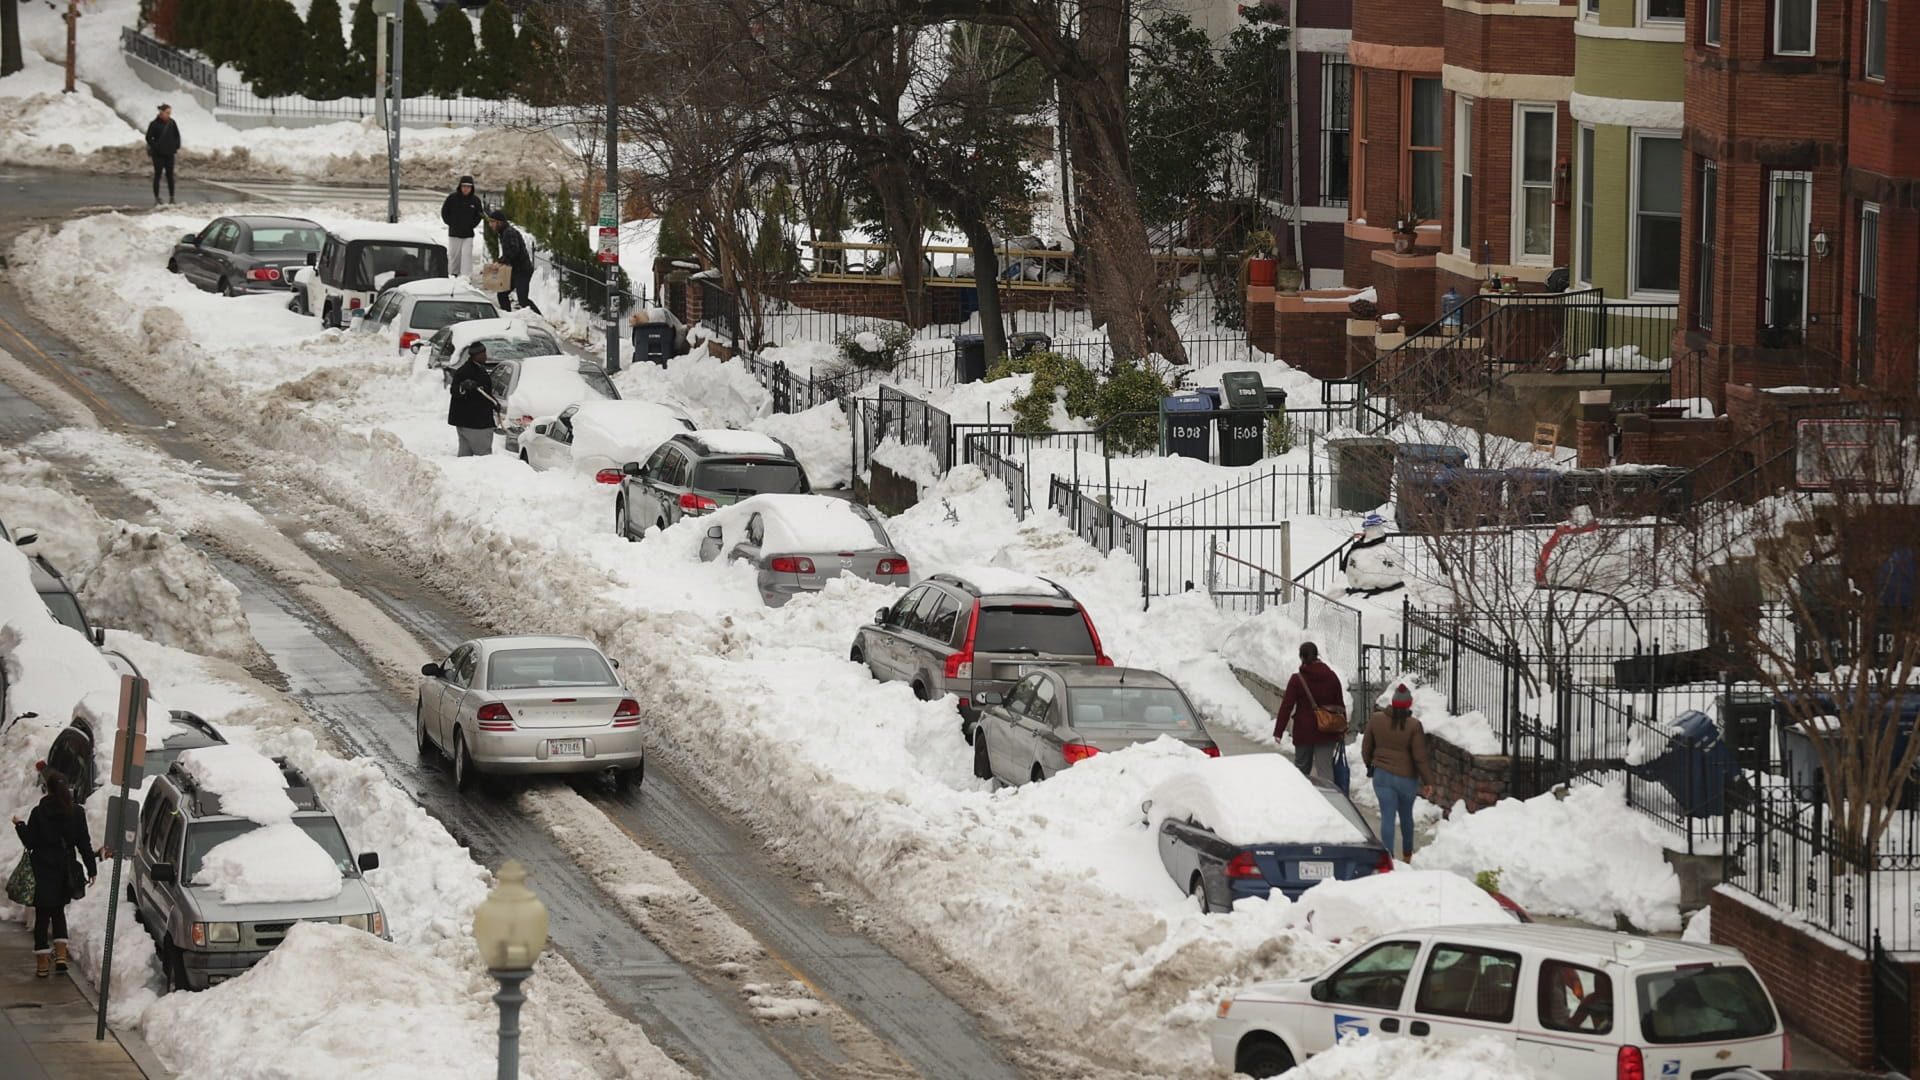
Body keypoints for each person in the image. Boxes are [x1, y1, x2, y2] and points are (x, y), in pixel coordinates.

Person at [11, 769, 97, 978]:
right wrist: (91, 868)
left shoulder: (39, 812)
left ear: (47, 790)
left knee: (42, 914)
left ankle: (42, 963)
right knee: (58, 910)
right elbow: (84, 844)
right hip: (64, 869)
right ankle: (60, 956)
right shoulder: (76, 812)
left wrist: (20, 825)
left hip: (42, 869)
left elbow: (30, 842)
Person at [1361, 683, 1432, 861]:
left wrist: (1370, 765)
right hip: (1406, 779)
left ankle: (1389, 857)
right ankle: (1407, 855)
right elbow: (1420, 757)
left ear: (1392, 702)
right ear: (1409, 704)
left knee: (1387, 816)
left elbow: (1366, 748)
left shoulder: (1376, 720)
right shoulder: (1414, 726)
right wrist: (1428, 781)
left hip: (1382, 775)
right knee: (1406, 816)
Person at [1274, 642, 1345, 785]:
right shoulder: (1332, 677)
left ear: (1301, 657)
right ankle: (1328, 797)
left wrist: (1279, 731)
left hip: (1304, 731)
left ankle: (1302, 796)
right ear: (1317, 655)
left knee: (1302, 769)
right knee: (1325, 771)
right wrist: (1342, 729)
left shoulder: (1297, 679)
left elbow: (1287, 706)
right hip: (1327, 730)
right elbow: (1340, 706)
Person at [447, 342, 499, 457]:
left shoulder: (479, 369)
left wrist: (494, 403)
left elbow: (485, 393)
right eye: (483, 354)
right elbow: (455, 390)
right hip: (474, 423)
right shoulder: (465, 371)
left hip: (468, 422)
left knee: (465, 457)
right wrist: (463, 386)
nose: (486, 356)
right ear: (476, 355)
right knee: (483, 457)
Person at [487, 210, 540, 315]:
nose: (490, 225)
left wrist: (500, 262)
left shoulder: (509, 233)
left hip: (522, 271)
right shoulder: (503, 232)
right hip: (514, 270)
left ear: (499, 222)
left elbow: (513, 250)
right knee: (502, 294)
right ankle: (508, 316)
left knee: (523, 300)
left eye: (492, 222)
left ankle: (539, 318)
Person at [1341, 513, 1406, 597]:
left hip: (1377, 586)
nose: (1366, 531)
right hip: (1365, 586)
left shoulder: (1386, 550)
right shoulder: (1358, 549)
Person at [441, 175, 487, 280]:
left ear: (472, 188)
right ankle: (453, 274)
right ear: (460, 186)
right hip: (454, 233)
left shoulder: (475, 201)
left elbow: (479, 215)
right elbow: (444, 212)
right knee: (454, 255)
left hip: (468, 234)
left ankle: (466, 276)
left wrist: (471, 225)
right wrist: (451, 223)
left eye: (468, 187)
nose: (466, 189)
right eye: (464, 186)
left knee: (467, 255)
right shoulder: (452, 198)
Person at [145, 104, 181, 206]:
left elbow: (177, 136)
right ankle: (157, 197)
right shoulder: (154, 124)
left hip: (170, 154)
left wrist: (176, 147)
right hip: (158, 155)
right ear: (161, 113)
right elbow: (148, 137)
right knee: (158, 175)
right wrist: (156, 147)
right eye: (167, 113)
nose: (169, 115)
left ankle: (172, 197)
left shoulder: (172, 123)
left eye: (170, 113)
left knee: (170, 176)